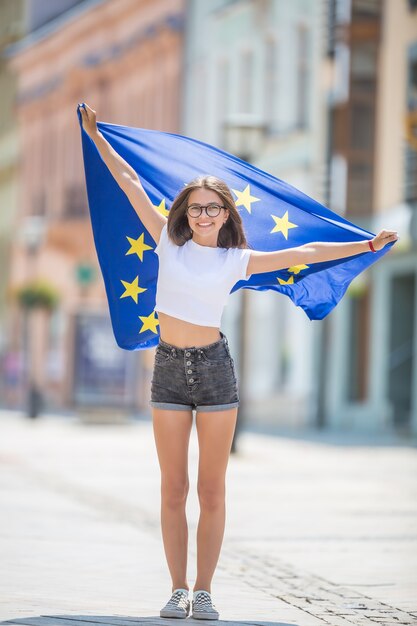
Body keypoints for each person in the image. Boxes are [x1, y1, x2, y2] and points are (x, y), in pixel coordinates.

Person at [79, 103, 398, 620]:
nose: (203, 215)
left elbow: (308, 252)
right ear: (185, 213)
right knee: (172, 487)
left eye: (213, 208)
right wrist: (96, 136)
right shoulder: (166, 239)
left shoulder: (237, 259)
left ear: (227, 214)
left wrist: (366, 242)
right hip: (168, 369)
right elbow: (131, 180)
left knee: (210, 488)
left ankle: (204, 591)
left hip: (214, 370)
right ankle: (176, 588)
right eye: (196, 208)